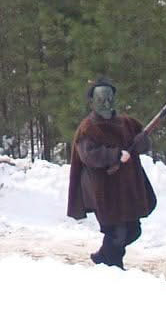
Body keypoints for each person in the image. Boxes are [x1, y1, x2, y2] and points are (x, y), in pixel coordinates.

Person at [67, 78, 157, 269]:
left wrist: (141, 142)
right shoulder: (88, 127)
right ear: (92, 101)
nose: (106, 103)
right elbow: (88, 155)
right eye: (101, 99)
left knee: (133, 230)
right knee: (117, 233)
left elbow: (144, 144)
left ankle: (103, 257)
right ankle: (113, 269)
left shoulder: (127, 123)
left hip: (128, 189)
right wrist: (114, 155)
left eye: (109, 98)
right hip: (104, 190)